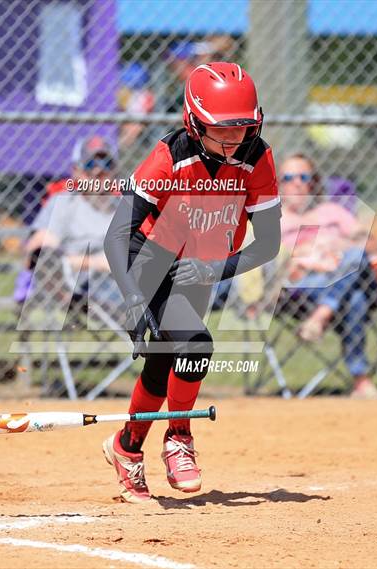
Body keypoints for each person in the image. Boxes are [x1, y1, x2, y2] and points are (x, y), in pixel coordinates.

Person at [103, 62, 282, 503]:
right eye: (220, 130)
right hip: (150, 257)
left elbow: (270, 242)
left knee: (167, 360)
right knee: (194, 344)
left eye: (242, 128)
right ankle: (178, 438)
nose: (233, 139)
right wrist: (131, 299)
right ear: (193, 121)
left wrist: (215, 270)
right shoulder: (169, 156)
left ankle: (126, 448)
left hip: (201, 263)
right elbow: (117, 235)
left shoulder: (257, 157)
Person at [279, 153, 377, 399]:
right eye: (288, 177)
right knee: (354, 294)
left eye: (303, 176)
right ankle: (361, 380)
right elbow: (270, 264)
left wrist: (335, 243)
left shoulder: (332, 211)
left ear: (313, 182)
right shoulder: (273, 217)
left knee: (354, 262)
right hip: (303, 286)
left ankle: (321, 315)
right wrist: (305, 255)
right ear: (279, 183)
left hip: (341, 272)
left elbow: (372, 246)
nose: (296, 183)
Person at [17, 136, 122, 314]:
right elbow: (38, 253)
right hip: (72, 287)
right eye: (90, 164)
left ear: (115, 171)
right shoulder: (64, 203)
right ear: (76, 170)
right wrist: (94, 262)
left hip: (116, 288)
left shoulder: (125, 208)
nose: (98, 170)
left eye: (106, 164)